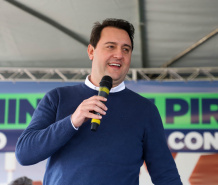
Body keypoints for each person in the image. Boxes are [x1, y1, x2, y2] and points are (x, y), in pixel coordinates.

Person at [15, 18, 182, 185]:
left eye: (126, 49)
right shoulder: (57, 98)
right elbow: (25, 154)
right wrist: (72, 121)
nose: (119, 55)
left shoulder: (145, 110)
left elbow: (165, 175)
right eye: (111, 46)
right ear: (91, 51)